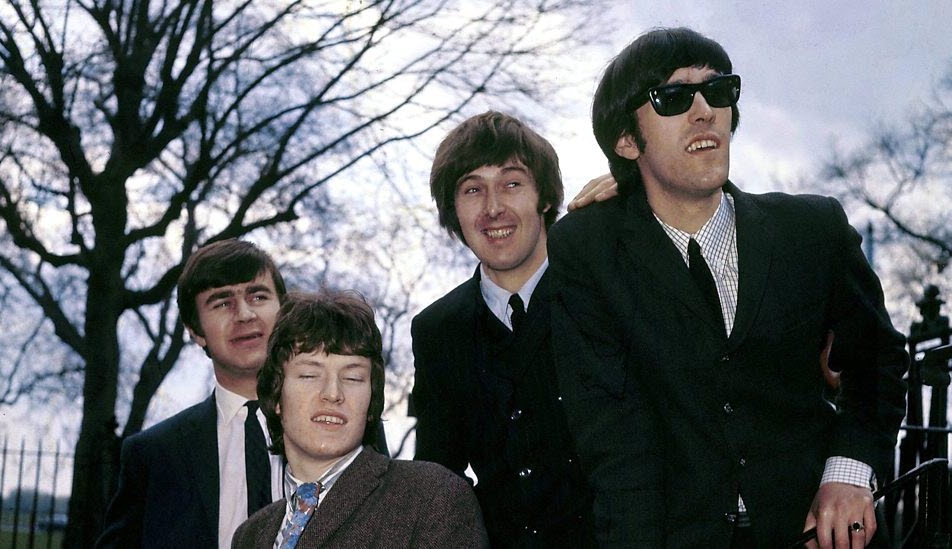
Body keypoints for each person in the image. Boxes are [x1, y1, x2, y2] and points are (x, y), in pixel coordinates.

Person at [547, 28, 908, 548]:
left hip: (816, 533)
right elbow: (611, 434)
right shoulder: (590, 250)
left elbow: (877, 362)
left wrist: (848, 474)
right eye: (674, 96)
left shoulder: (812, 230)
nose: (704, 111)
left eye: (718, 91)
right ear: (626, 140)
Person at [411, 110, 594, 546]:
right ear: (454, 211)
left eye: (512, 183)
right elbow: (437, 478)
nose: (493, 208)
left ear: (544, 197)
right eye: (473, 189)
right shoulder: (437, 330)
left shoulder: (598, 292)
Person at [232, 291, 488, 548]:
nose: (333, 393)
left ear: (371, 400)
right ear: (277, 395)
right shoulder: (250, 535)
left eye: (353, 378)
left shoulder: (431, 498)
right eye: (309, 375)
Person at [97, 239, 288, 548]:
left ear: (284, 311)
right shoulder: (153, 456)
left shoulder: (344, 434)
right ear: (196, 331)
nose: (244, 314)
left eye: (258, 296)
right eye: (222, 303)